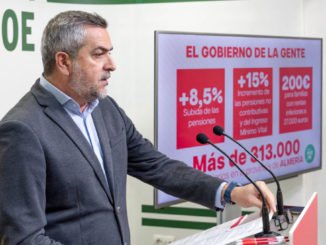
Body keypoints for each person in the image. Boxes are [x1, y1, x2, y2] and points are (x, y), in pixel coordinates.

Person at [0, 11, 276, 245]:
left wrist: (230, 191)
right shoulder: (22, 130)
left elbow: (157, 166)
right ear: (63, 62)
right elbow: (24, 239)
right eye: (99, 54)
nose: (112, 65)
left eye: (110, 53)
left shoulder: (105, 109)